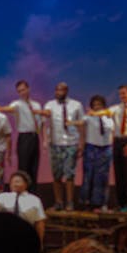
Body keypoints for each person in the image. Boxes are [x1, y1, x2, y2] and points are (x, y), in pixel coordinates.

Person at [0, 80, 44, 190]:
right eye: (19, 91)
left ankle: (33, 193)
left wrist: (44, 138)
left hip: (35, 137)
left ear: (28, 89)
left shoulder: (36, 105)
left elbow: (41, 122)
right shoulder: (17, 104)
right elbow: (10, 109)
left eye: (23, 90)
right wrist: (0, 109)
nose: (22, 92)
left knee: (34, 166)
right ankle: (22, 192)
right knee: (23, 167)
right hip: (24, 137)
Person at [43, 82, 84, 211]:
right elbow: (45, 121)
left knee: (70, 174)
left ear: (66, 91)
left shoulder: (76, 105)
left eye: (61, 90)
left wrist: (82, 143)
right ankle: (58, 202)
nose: (59, 92)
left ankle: (70, 203)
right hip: (55, 143)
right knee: (56, 175)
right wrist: (45, 140)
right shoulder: (50, 105)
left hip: (71, 143)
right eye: (57, 90)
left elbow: (82, 124)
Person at [71, 95, 114, 211]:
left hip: (106, 149)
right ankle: (88, 203)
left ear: (103, 106)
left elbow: (113, 132)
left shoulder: (109, 118)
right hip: (91, 148)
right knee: (89, 176)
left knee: (103, 177)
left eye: (99, 104)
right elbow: (80, 122)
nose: (97, 107)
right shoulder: (88, 117)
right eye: (94, 105)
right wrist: (71, 122)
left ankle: (102, 203)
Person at [0, 171, 46, 246]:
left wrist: (40, 242)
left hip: (26, 234)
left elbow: (39, 222)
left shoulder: (34, 200)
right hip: (5, 233)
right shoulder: (2, 196)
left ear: (26, 184)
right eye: (12, 182)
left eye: (17, 181)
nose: (14, 184)